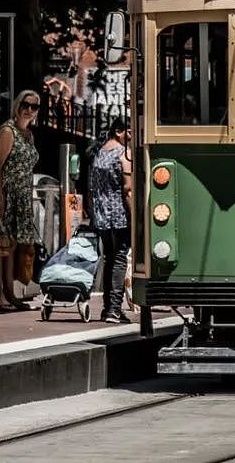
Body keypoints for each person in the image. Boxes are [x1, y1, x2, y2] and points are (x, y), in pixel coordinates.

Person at [0, 90, 41, 311]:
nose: (30, 110)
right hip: (5, 194)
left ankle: (10, 293)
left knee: (12, 246)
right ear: (18, 105)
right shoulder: (7, 131)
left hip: (21, 197)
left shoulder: (29, 134)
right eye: (26, 105)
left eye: (35, 107)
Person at [88, 118, 133, 323]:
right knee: (120, 258)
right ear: (118, 131)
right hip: (119, 215)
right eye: (129, 132)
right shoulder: (124, 155)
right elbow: (128, 190)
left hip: (101, 215)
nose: (131, 137)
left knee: (108, 259)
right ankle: (114, 308)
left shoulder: (99, 154)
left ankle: (108, 308)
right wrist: (134, 218)